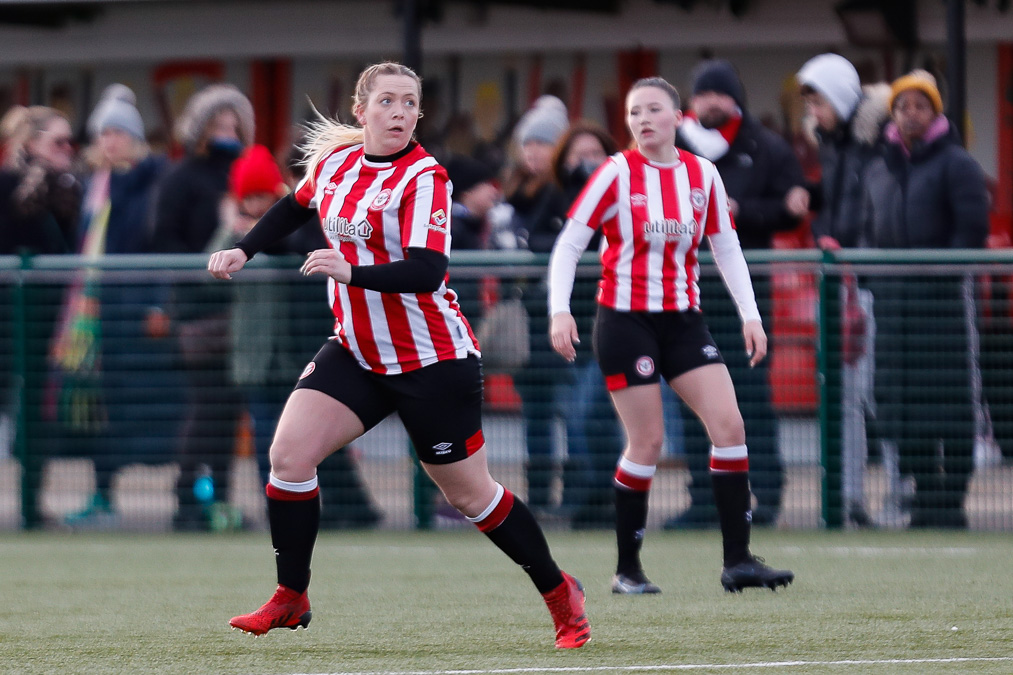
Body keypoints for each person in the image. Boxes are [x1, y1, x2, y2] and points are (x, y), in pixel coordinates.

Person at [209, 62, 589, 648]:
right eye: (387, 101)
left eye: (410, 103)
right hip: (357, 350)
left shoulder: (426, 177)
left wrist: (350, 269)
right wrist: (243, 250)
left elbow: (427, 269)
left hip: (432, 358)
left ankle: (561, 593)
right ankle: (291, 596)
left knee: (469, 495)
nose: (401, 113)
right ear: (361, 111)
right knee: (287, 458)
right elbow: (294, 206)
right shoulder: (335, 163)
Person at [548, 76, 794, 594]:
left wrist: (751, 315)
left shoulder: (702, 174)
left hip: (684, 320)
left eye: (653, 109)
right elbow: (570, 244)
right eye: (634, 111)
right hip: (624, 321)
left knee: (729, 426)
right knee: (648, 441)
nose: (641, 120)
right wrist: (559, 311)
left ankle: (738, 562)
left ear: (676, 118)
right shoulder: (615, 174)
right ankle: (628, 570)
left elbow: (727, 248)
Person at [667, 59, 807, 529]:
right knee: (693, 397)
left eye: (719, 94)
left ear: (735, 99)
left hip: (744, 292)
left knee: (750, 395)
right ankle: (703, 500)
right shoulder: (671, 144)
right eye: (702, 94)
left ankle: (765, 493)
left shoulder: (766, 146)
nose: (709, 103)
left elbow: (792, 208)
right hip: (684, 292)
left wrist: (741, 211)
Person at [862, 70, 989, 528]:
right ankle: (925, 495)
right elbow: (865, 228)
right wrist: (877, 279)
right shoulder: (879, 166)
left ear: (935, 112)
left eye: (921, 105)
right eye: (902, 105)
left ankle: (952, 498)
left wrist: (939, 273)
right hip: (894, 308)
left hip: (943, 306)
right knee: (899, 404)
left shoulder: (957, 164)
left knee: (951, 405)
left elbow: (971, 230)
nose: (910, 113)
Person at [56, 84, 177, 528]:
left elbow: (163, 245)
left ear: (135, 136)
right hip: (95, 321)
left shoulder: (157, 178)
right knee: (100, 412)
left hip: (142, 319)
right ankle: (102, 495)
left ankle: (196, 492)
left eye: (117, 132)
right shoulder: (93, 187)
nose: (109, 141)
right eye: (102, 133)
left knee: (161, 409)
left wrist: (158, 304)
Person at [151, 83, 255, 530]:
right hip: (198, 309)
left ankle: (221, 500)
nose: (227, 131)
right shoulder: (182, 176)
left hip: (239, 308)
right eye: (218, 124)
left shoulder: (245, 172)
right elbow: (163, 237)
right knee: (206, 407)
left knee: (229, 410)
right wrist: (202, 268)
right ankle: (188, 498)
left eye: (234, 123)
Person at [796, 54, 891, 527]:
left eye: (818, 101)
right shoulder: (832, 147)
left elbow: (880, 205)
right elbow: (837, 204)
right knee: (847, 397)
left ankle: (900, 491)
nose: (814, 111)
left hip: (872, 284)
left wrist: (860, 251)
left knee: (879, 393)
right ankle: (850, 498)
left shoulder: (879, 141)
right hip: (840, 284)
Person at [0, 105, 80, 529]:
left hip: (45, 320)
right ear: (32, 145)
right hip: (10, 315)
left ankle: (32, 503)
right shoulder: (9, 183)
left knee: (35, 408)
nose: (68, 149)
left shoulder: (68, 189)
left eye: (71, 141)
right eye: (58, 141)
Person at [499, 95, 575, 514]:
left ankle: (577, 495)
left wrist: (524, 244)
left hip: (560, 317)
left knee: (573, 411)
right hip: (527, 319)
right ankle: (542, 494)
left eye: (542, 144)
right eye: (528, 144)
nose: (533, 152)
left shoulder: (563, 192)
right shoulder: (516, 191)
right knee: (537, 415)